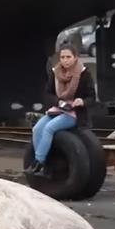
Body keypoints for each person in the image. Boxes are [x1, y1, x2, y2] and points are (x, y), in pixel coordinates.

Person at [26, 42, 96, 177]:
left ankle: (39, 162)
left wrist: (82, 101)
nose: (65, 60)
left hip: (75, 113)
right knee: (37, 128)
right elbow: (47, 93)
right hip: (58, 108)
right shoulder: (56, 72)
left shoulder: (84, 74)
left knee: (49, 128)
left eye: (68, 57)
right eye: (62, 57)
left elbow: (92, 97)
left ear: (75, 57)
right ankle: (43, 162)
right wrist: (59, 101)